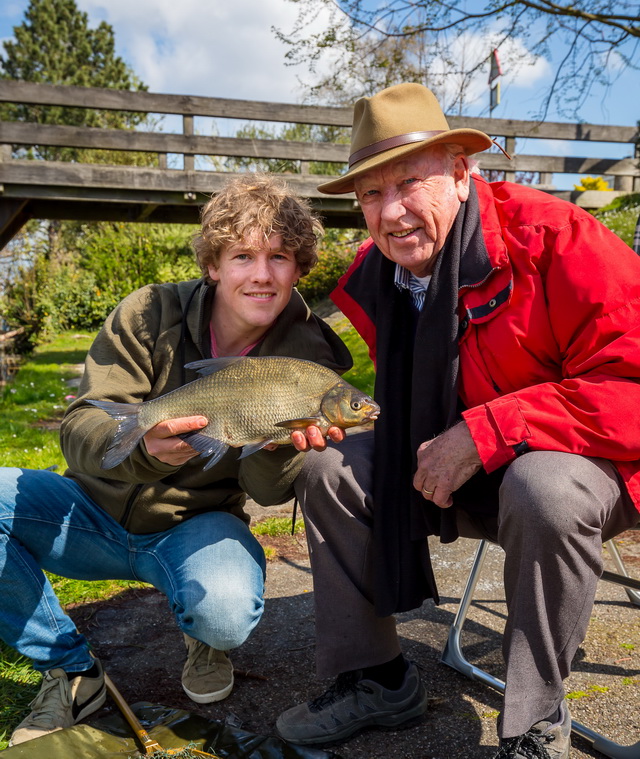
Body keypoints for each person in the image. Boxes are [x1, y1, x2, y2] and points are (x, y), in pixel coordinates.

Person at [275, 83, 640, 758]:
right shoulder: (375, 272)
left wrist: (489, 429)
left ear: (462, 174)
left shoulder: (556, 239)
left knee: (544, 488)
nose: (391, 213)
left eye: (410, 183)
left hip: (575, 471)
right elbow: (287, 336)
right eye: (370, 196)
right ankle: (375, 677)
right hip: (449, 471)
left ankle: (536, 718)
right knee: (330, 464)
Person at [0, 173, 352, 747]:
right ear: (213, 264)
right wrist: (145, 450)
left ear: (299, 268)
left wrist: (282, 444)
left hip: (196, 525)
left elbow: (266, 491)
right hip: (90, 508)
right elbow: (82, 426)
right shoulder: (148, 313)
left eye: (280, 257)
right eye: (242, 255)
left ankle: (204, 635)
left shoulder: (309, 362)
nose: (261, 275)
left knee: (227, 610)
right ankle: (70, 669)